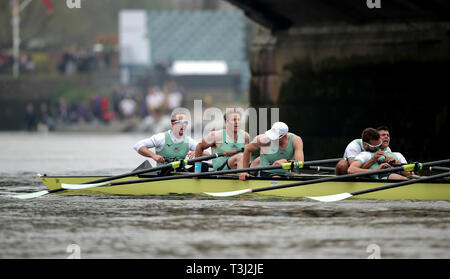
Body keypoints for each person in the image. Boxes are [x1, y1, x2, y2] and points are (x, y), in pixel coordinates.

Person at [239, 122, 304, 180]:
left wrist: (287, 162)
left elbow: (300, 163)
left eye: (275, 138)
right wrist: (244, 171)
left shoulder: (296, 140)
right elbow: (247, 149)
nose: (272, 139)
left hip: (286, 174)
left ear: (285, 136)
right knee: (277, 178)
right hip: (266, 173)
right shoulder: (263, 140)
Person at [133, 112, 199, 169]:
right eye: (181, 122)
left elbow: (207, 154)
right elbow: (138, 146)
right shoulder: (161, 138)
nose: (184, 125)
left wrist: (197, 152)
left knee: (203, 166)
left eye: (185, 122)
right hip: (163, 173)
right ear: (173, 124)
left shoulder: (189, 141)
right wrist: (153, 155)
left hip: (179, 172)